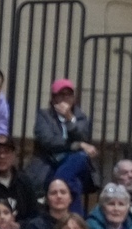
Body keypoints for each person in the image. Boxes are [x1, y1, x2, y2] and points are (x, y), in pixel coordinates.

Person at [32, 79, 97, 207]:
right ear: (53, 98)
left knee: (80, 157)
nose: (65, 98)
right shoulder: (44, 115)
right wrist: (76, 145)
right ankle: (75, 222)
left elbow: (83, 138)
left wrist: (68, 119)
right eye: (61, 95)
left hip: (74, 162)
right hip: (50, 162)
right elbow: (48, 141)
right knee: (74, 185)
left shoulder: (80, 118)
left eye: (68, 95)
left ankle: (57, 184)